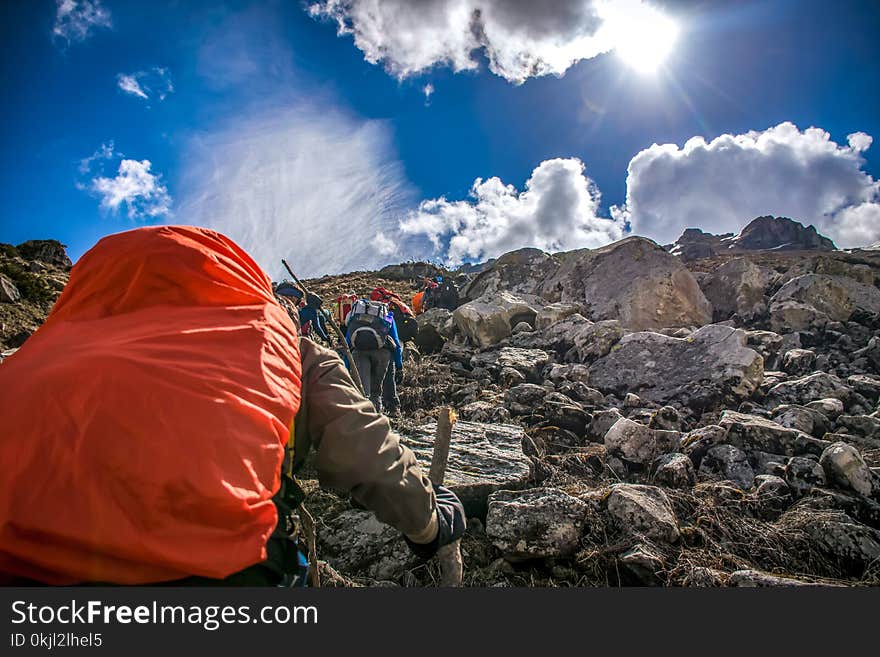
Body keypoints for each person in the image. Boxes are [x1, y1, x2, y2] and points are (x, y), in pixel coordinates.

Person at [0, 225, 465, 586]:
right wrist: (427, 523)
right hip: (218, 572)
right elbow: (363, 445)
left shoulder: (31, 357)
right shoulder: (281, 342)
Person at [344, 298, 402, 414]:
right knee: (376, 392)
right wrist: (399, 365)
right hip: (382, 354)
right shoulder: (386, 315)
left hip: (359, 352)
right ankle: (380, 416)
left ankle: (364, 417)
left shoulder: (356, 316)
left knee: (363, 392)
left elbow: (348, 342)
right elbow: (395, 342)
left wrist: (345, 367)